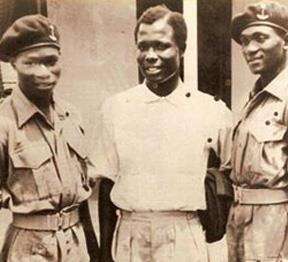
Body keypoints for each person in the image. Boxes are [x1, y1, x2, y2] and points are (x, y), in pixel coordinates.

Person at [89, 5, 232, 262]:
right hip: (131, 234)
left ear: (182, 49)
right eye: (143, 46)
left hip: (184, 235)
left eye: (161, 46)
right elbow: (107, 182)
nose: (150, 55)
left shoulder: (210, 110)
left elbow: (231, 175)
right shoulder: (116, 108)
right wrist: (104, 254)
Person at [0, 14, 98, 261]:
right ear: (13, 63)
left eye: (50, 61)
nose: (44, 72)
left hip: (77, 244)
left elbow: (85, 181)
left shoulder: (71, 114)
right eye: (31, 63)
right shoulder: (4, 122)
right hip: (30, 248)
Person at [228, 2, 288, 262]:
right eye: (245, 41)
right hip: (240, 226)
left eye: (260, 38)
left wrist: (286, 257)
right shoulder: (254, 100)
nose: (250, 49)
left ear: (286, 41)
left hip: (276, 228)